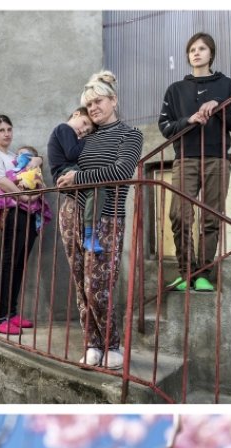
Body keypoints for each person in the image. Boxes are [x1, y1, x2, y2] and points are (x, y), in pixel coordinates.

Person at [57, 71, 144, 370]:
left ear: (114, 100)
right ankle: (91, 343)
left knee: (100, 284)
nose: (93, 108)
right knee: (81, 285)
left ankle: (112, 344)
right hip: (73, 214)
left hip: (107, 218)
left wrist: (78, 178)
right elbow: (63, 165)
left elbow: (121, 172)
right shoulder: (85, 137)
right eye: (89, 104)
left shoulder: (130, 135)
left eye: (98, 101)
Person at [158, 32, 231, 292]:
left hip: (217, 159)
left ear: (211, 54)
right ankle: (186, 272)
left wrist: (218, 105)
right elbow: (165, 126)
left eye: (202, 48)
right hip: (185, 159)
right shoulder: (175, 90)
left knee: (210, 217)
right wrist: (189, 120)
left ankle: (203, 274)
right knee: (179, 216)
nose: (196, 53)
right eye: (192, 49)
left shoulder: (225, 84)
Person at [0, 115, 46, 335]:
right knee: (7, 262)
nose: (7, 134)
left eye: (9, 129)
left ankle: (11, 313)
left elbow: (32, 169)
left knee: (19, 263)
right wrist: (24, 197)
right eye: (1, 130)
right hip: (10, 211)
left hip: (27, 211)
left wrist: (37, 161)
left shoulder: (13, 155)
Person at [47, 107, 101, 253]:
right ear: (76, 114)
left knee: (96, 191)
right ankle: (90, 235)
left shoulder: (69, 133)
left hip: (67, 172)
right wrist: (86, 140)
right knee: (97, 187)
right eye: (84, 123)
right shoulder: (64, 128)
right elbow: (71, 154)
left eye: (88, 131)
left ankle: (90, 233)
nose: (84, 131)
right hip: (64, 172)